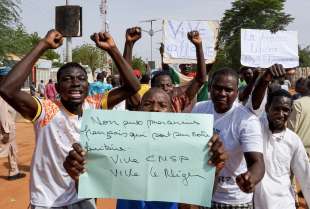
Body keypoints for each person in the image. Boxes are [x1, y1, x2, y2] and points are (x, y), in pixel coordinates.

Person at [0, 29, 140, 209]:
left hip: (84, 197)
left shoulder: (95, 105)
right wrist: (43, 45)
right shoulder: (46, 110)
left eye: (81, 79)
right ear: (57, 88)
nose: (75, 83)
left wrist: (113, 48)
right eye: (68, 79)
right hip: (48, 202)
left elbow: (132, 87)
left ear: (88, 86)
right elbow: (7, 89)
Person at [63, 87, 228, 209]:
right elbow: (93, 190)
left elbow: (193, 204)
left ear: (172, 113)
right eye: (148, 104)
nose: (155, 109)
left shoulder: (188, 149)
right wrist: (79, 175)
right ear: (139, 111)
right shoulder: (118, 145)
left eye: (162, 105)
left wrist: (214, 170)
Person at [192, 68, 265, 209]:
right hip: (201, 193)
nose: (222, 94)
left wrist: (251, 179)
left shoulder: (247, 120)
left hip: (233, 199)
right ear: (210, 88)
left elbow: (257, 162)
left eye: (228, 90)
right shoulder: (199, 109)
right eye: (217, 88)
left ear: (237, 92)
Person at [250, 88, 310, 209]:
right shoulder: (254, 131)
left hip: (284, 203)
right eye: (276, 109)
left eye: (285, 110)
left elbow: (305, 176)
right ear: (267, 108)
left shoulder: (293, 140)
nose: (281, 114)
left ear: (290, 111)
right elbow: (251, 106)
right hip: (257, 203)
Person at [154, 31, 207, 113]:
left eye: (168, 85)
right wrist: (163, 55)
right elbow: (166, 69)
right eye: (160, 86)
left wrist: (198, 46)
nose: (165, 88)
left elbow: (200, 79)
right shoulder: (147, 103)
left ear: (173, 87)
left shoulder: (178, 102)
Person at [0, 67, 26, 180]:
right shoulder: (2, 93)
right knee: (4, 149)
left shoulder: (6, 91)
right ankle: (13, 171)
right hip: (5, 128)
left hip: (8, 126)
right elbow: (2, 113)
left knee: (12, 150)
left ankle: (13, 172)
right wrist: (5, 131)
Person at [288, 78, 310, 157]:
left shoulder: (297, 104)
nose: (296, 85)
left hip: (301, 152)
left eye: (300, 83)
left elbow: (291, 129)